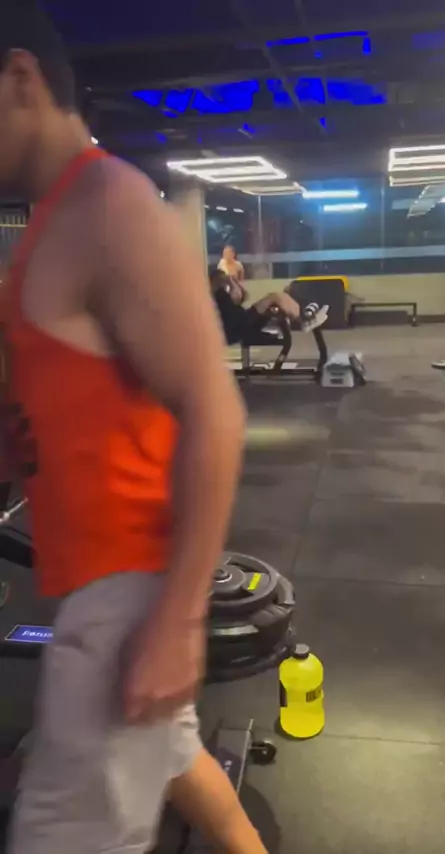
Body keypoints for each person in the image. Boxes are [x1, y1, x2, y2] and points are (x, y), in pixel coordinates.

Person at [0, 5, 269, 854]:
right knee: (183, 767)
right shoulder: (47, 227)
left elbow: (214, 410)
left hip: (125, 604)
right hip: (100, 594)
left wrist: (177, 622)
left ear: (19, 80)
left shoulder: (108, 203)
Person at [211, 269, 301, 346]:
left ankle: (297, 316)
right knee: (274, 298)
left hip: (239, 325)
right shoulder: (218, 295)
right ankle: (298, 316)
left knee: (274, 300)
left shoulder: (221, 297)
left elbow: (242, 301)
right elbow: (238, 323)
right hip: (235, 329)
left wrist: (235, 287)